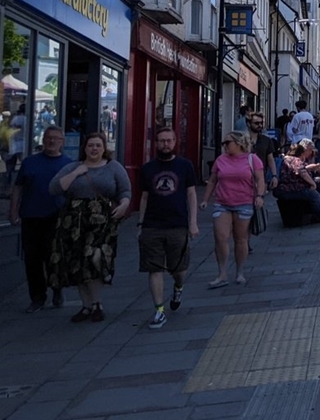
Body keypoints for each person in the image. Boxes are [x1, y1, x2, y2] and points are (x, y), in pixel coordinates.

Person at [49, 132, 131, 323]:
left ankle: (96, 303)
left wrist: (125, 204)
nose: (94, 149)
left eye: (98, 146)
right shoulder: (72, 167)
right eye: (90, 146)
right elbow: (54, 188)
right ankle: (88, 306)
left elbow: (125, 189)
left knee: (93, 257)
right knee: (77, 261)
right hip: (74, 221)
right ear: (84, 149)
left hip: (101, 221)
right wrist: (77, 173)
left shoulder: (113, 167)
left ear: (104, 149)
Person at [136, 128, 200, 330]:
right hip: (152, 225)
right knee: (154, 268)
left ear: (175, 143)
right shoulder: (147, 168)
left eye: (169, 141)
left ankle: (178, 287)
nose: (165, 144)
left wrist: (193, 222)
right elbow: (144, 197)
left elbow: (191, 194)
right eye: (161, 141)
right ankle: (159, 310)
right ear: (156, 143)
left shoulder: (185, 166)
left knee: (178, 269)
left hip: (178, 224)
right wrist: (140, 223)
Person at [10, 126, 71, 313]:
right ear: (43, 140)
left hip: (56, 217)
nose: (51, 141)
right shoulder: (30, 162)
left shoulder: (68, 165)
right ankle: (37, 297)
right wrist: (14, 211)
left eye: (56, 138)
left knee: (53, 258)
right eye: (48, 138)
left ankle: (57, 289)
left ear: (62, 142)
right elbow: (18, 187)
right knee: (32, 260)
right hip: (31, 216)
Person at [200, 131, 265, 288]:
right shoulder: (220, 160)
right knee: (220, 237)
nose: (224, 146)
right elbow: (212, 181)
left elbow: (260, 179)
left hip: (244, 203)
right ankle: (222, 273)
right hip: (222, 203)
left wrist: (260, 196)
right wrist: (205, 200)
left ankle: (239, 272)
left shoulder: (252, 159)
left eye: (227, 143)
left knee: (241, 239)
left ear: (239, 143)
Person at [274, 139, 320, 226]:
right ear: (301, 153)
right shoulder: (296, 160)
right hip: (291, 188)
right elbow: (302, 172)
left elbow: (303, 169)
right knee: (313, 194)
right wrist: (313, 184)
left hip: (287, 188)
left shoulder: (287, 159)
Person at [247, 112, 279, 188]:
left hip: (260, 176)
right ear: (248, 124)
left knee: (259, 198)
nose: (260, 125)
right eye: (256, 123)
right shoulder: (241, 140)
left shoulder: (266, 140)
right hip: (243, 176)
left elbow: (270, 159)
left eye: (261, 123)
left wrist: (274, 175)